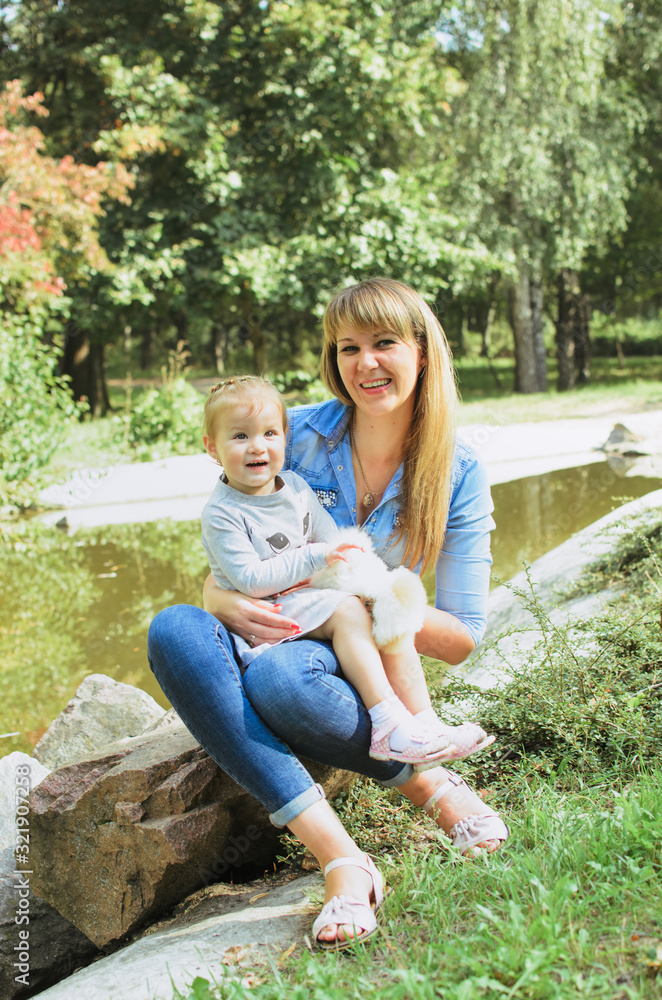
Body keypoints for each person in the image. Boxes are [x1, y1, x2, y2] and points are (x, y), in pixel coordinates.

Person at [148, 277, 509, 950]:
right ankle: (342, 860)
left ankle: (433, 787)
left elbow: (462, 637)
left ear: (423, 351)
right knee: (174, 630)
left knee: (282, 679)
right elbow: (235, 536)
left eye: (384, 343)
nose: (364, 363)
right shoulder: (292, 434)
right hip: (285, 623)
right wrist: (218, 594)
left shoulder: (457, 469)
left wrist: (368, 590)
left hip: (357, 651)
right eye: (348, 347)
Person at [200, 375, 494, 769]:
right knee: (350, 612)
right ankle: (388, 721)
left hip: (301, 596)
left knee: (387, 602)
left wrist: (365, 574)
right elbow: (250, 579)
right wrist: (320, 557)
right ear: (212, 447)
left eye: (269, 433)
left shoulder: (295, 487)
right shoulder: (222, 512)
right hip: (269, 617)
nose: (258, 446)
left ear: (285, 437)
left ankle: (426, 722)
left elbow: (332, 538)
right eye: (240, 436)